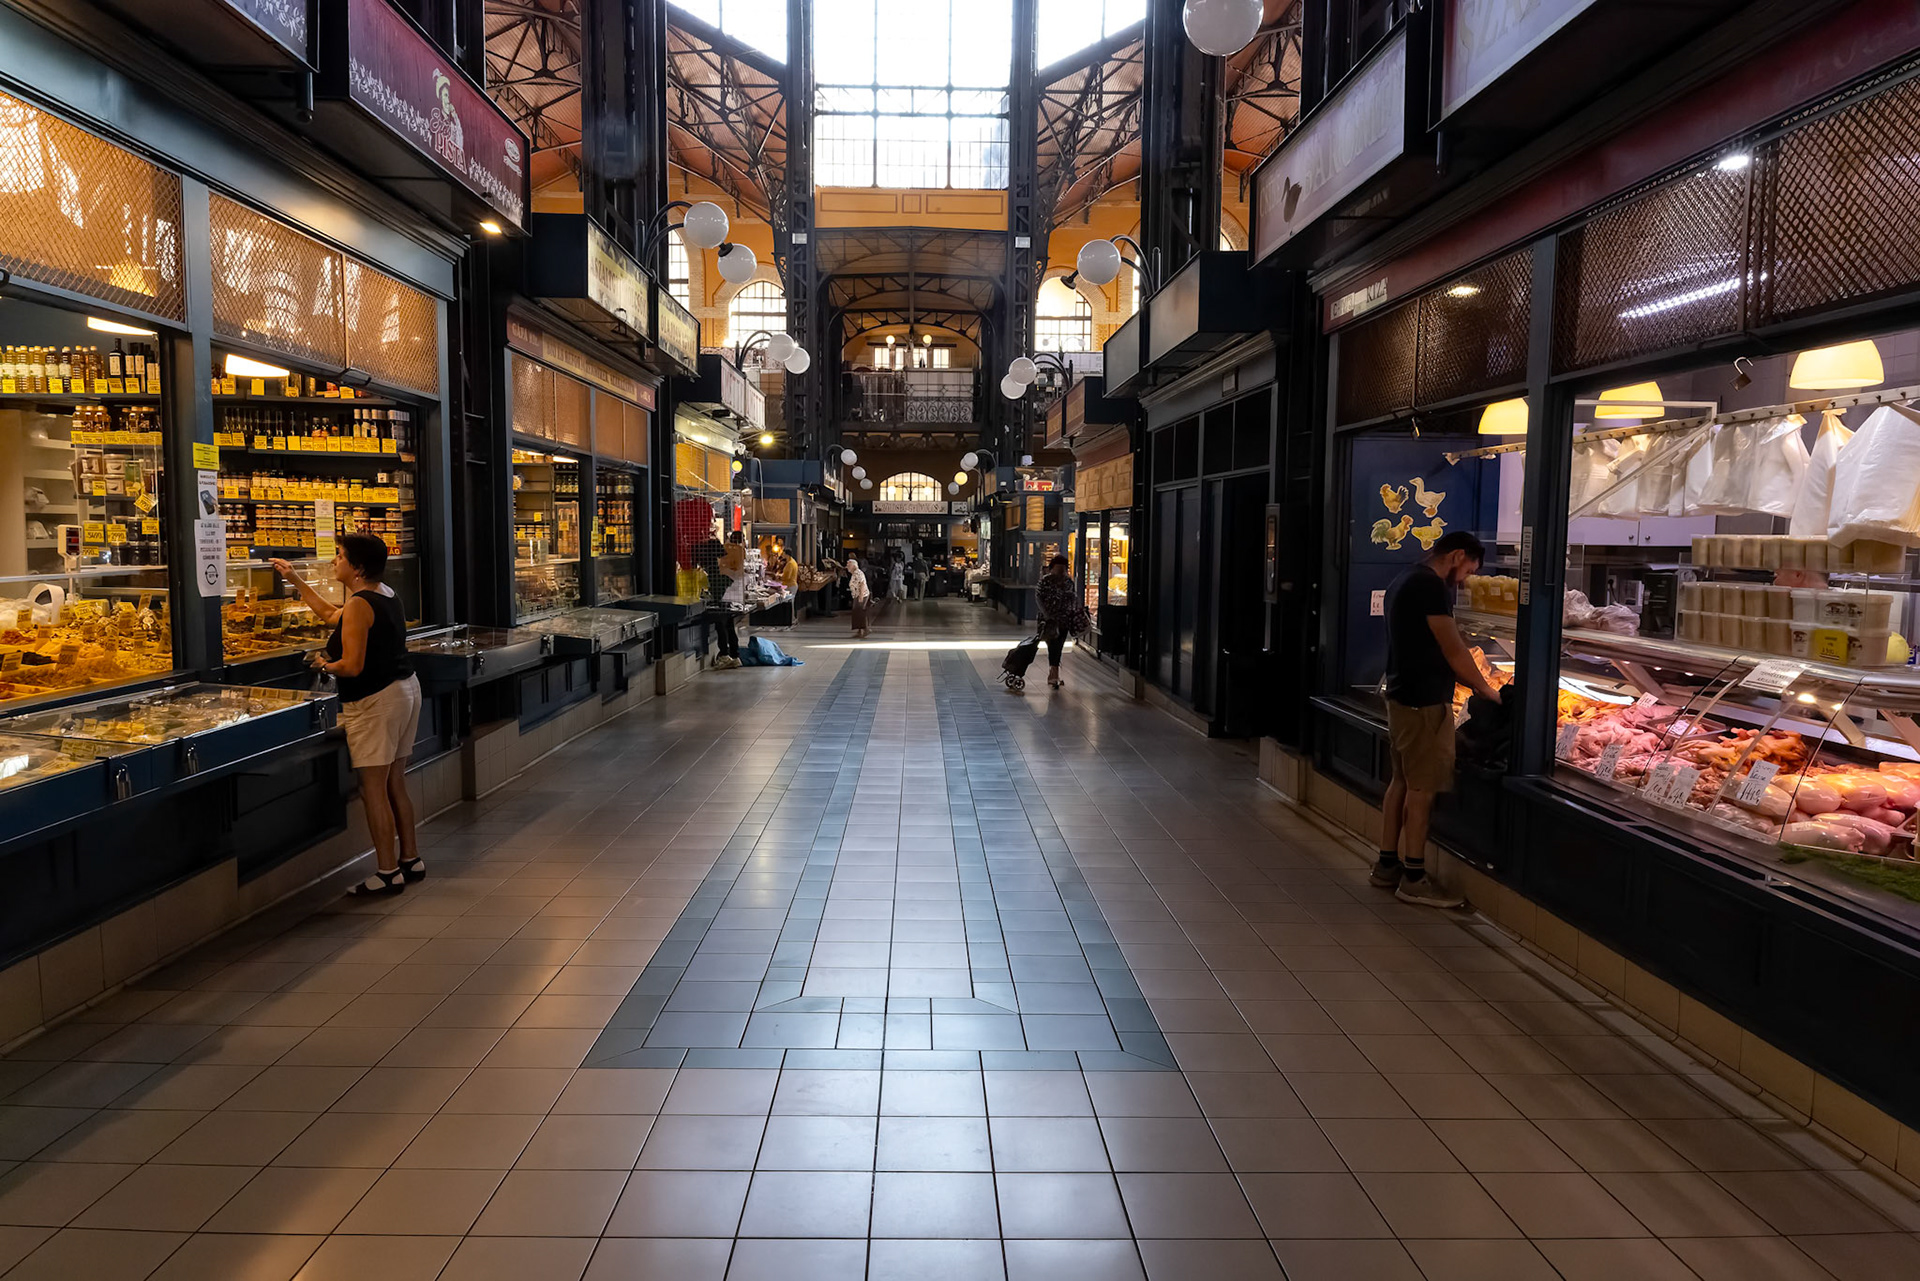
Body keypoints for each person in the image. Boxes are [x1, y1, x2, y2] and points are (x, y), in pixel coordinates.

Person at [272, 534, 423, 898]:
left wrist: (325, 664)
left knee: (374, 789)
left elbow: (352, 667)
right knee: (395, 783)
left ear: (357, 567)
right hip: (405, 690)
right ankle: (410, 860)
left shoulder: (359, 604)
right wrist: (293, 578)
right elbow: (329, 615)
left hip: (376, 701)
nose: (334, 562)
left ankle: (387, 872)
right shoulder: (386, 593)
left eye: (339, 557)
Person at [1375, 530, 1501, 908]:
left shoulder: (1405, 577)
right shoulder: (1431, 587)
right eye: (1467, 570)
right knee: (1422, 790)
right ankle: (1414, 877)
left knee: (1401, 781)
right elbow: (1455, 650)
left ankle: (1386, 866)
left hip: (1401, 696)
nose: (1463, 580)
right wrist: (1487, 690)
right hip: (1425, 702)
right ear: (1457, 555)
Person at [1035, 554, 1087, 690]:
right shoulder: (1045, 581)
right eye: (1058, 569)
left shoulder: (1068, 582)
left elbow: (1073, 598)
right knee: (1053, 645)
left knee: (1058, 645)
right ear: (1052, 568)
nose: (1060, 572)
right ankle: (1054, 672)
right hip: (1048, 621)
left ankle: (1054, 673)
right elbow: (1039, 597)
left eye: (1063, 569)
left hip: (1063, 619)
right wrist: (1047, 614)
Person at [847, 557, 871, 637]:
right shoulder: (855, 573)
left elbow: (862, 584)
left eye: (848, 565)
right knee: (857, 612)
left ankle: (865, 629)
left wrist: (860, 596)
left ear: (853, 566)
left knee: (860, 612)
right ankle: (860, 631)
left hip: (861, 595)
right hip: (857, 595)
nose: (847, 567)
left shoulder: (857, 573)